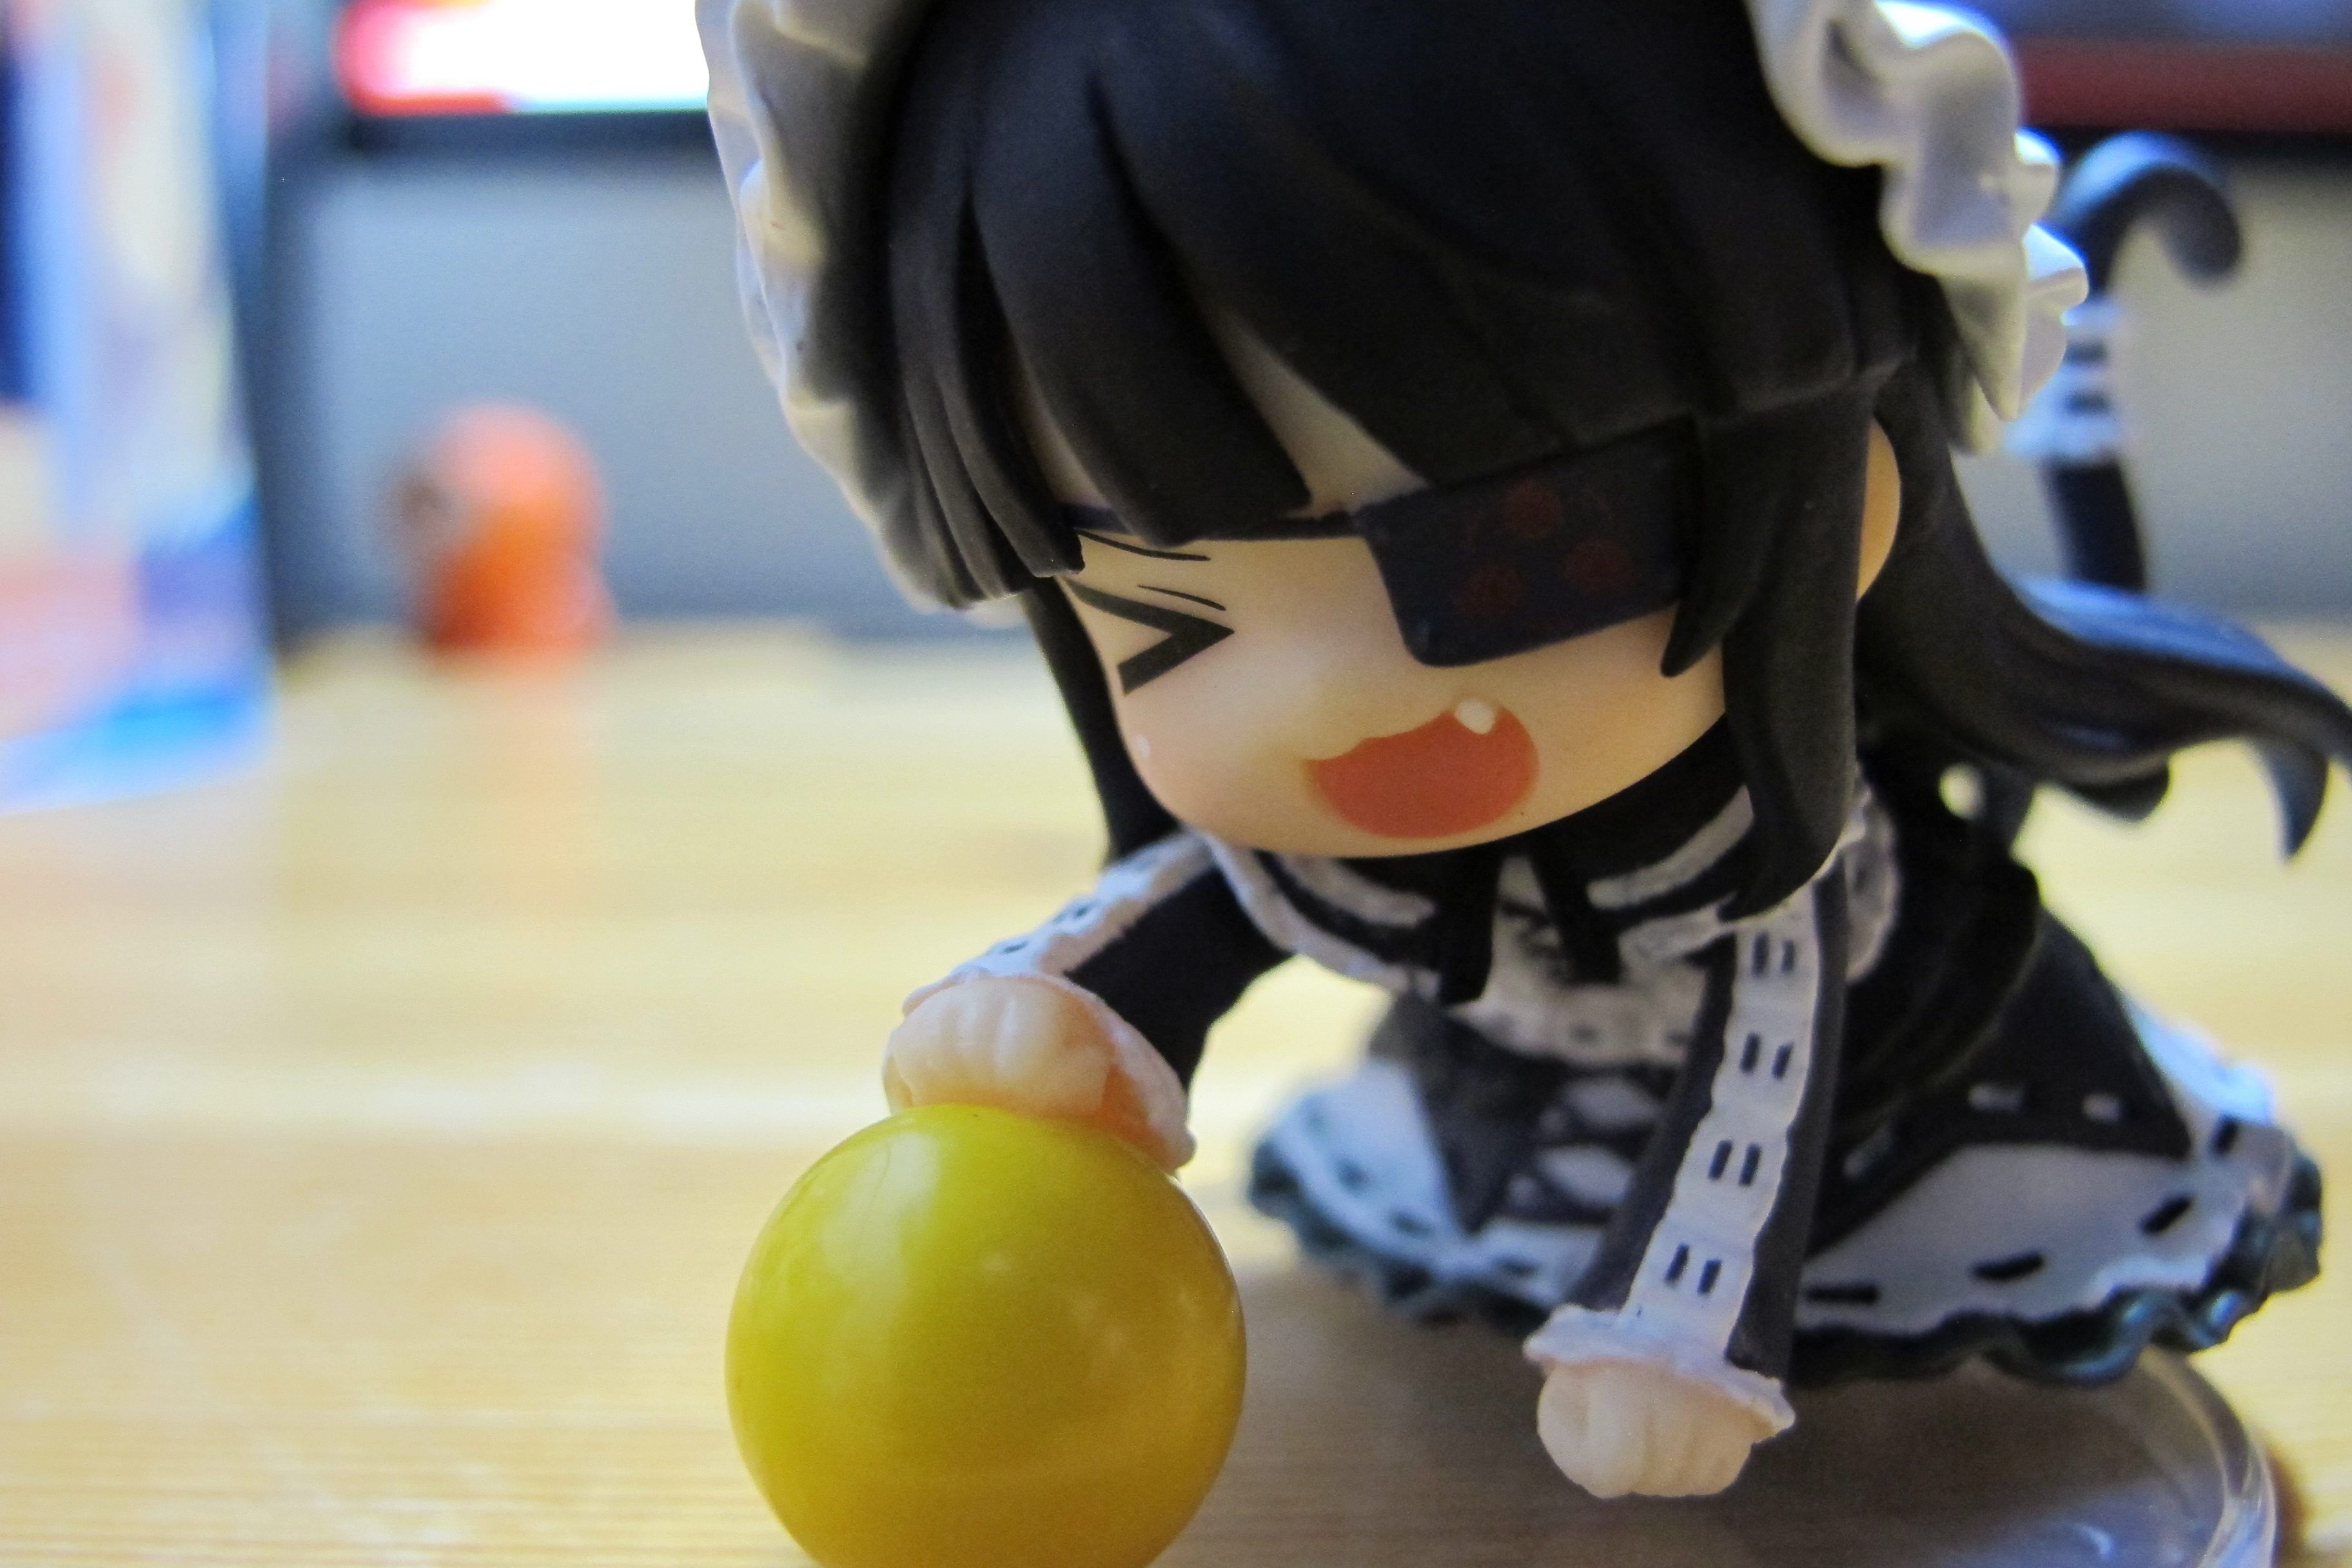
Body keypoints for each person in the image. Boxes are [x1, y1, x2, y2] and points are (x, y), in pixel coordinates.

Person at [701, 0, 2351, 1498]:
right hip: (1497, 1161)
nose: (1335, 708)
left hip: (1897, 1143)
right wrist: (1077, 1000)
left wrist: (1679, 1325)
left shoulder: (1763, 862)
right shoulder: (1331, 834)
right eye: (1169, 623)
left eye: (1507, 563)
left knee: (1926, 1444)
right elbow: (1226, 890)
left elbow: (1763, 1069)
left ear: (1842, 487)